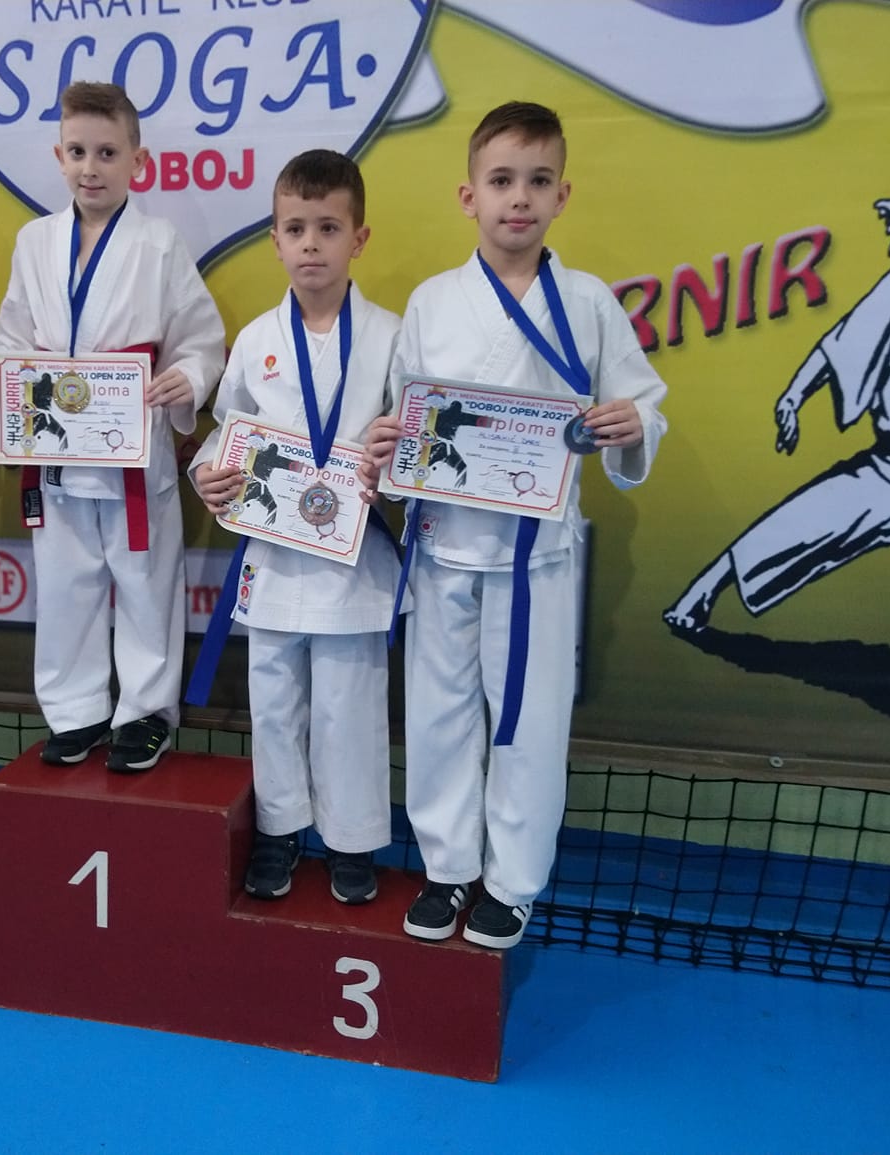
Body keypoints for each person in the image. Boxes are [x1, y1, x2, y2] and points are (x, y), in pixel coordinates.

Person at [362, 101, 668, 948]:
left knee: (530, 720)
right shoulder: (433, 301)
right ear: (470, 196)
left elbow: (641, 403)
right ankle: (448, 867)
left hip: (538, 559)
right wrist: (388, 444)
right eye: (501, 180)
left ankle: (512, 882)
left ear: (563, 195)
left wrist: (633, 425)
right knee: (438, 714)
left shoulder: (589, 302)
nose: (519, 198)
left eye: (538, 181)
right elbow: (406, 417)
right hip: (445, 545)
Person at [663, 134, 890, 684]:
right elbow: (841, 343)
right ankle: (701, 594)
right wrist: (794, 396)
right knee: (796, 522)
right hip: (889, 467)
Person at [0, 81, 225, 773]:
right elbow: (14, 335)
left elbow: (201, 340)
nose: (91, 167)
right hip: (55, 447)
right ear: (59, 156)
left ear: (138, 160)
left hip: (134, 448)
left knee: (145, 582)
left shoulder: (160, 244)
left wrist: (188, 377)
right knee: (65, 584)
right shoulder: (34, 241)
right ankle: (75, 710)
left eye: (107, 153)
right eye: (77, 152)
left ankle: (145, 712)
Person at [187, 149, 404, 905]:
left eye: (328, 228)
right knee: (274, 702)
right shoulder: (256, 340)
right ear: (275, 240)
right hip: (274, 559)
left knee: (350, 707)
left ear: (358, 238)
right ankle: (279, 829)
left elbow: (410, 442)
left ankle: (352, 841)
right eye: (296, 228)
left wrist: (391, 466)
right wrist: (208, 475)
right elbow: (226, 432)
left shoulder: (391, 336)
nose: (312, 244)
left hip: (354, 560)